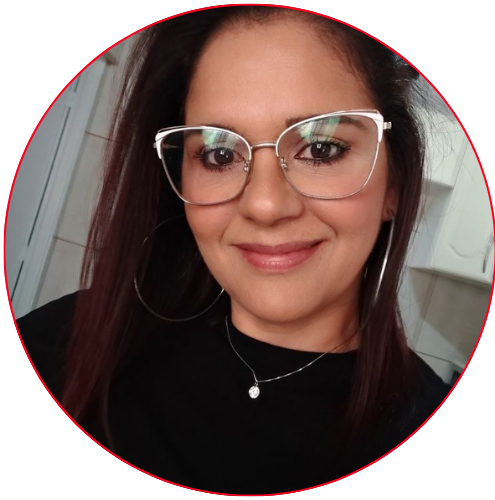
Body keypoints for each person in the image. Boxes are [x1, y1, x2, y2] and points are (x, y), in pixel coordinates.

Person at [15, 6, 452, 494]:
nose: (264, 205)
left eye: (321, 149)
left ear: (394, 184)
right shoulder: (71, 343)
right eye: (219, 154)